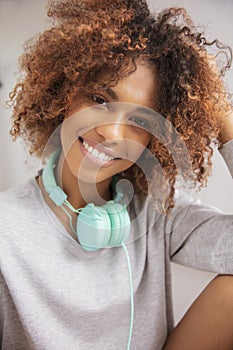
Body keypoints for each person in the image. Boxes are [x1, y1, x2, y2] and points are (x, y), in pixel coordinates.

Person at [0, 0, 233, 349]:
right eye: (99, 99)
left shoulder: (157, 215)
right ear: (66, 94)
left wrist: (222, 117)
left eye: (139, 121)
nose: (111, 134)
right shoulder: (6, 231)